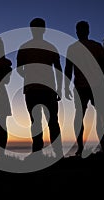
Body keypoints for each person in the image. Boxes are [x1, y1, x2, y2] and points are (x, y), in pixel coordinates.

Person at [64, 21, 104, 156]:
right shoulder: (96, 46)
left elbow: (68, 69)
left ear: (78, 31)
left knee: (81, 117)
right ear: (88, 31)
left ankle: (82, 147)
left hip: (82, 86)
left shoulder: (72, 48)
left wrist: (66, 86)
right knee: (102, 115)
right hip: (94, 86)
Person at [16, 17, 63, 158]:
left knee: (36, 122)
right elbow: (58, 70)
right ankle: (58, 153)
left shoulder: (24, 47)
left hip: (32, 90)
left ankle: (37, 153)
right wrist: (59, 88)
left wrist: (28, 76)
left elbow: (19, 69)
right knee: (52, 121)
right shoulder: (51, 47)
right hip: (48, 90)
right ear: (44, 29)